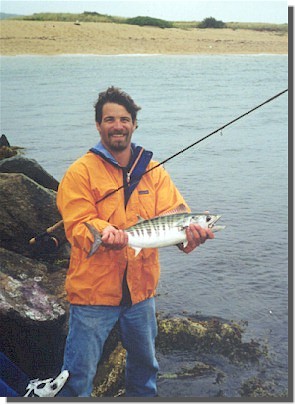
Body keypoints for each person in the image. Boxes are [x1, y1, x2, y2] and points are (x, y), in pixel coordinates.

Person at [56, 86, 214, 397]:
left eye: (124, 119)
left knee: (145, 371)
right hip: (93, 294)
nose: (118, 125)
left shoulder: (153, 171)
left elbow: (176, 222)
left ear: (134, 124)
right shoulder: (80, 173)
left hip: (141, 295)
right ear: (98, 125)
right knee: (77, 378)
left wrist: (192, 238)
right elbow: (77, 224)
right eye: (110, 119)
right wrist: (105, 232)